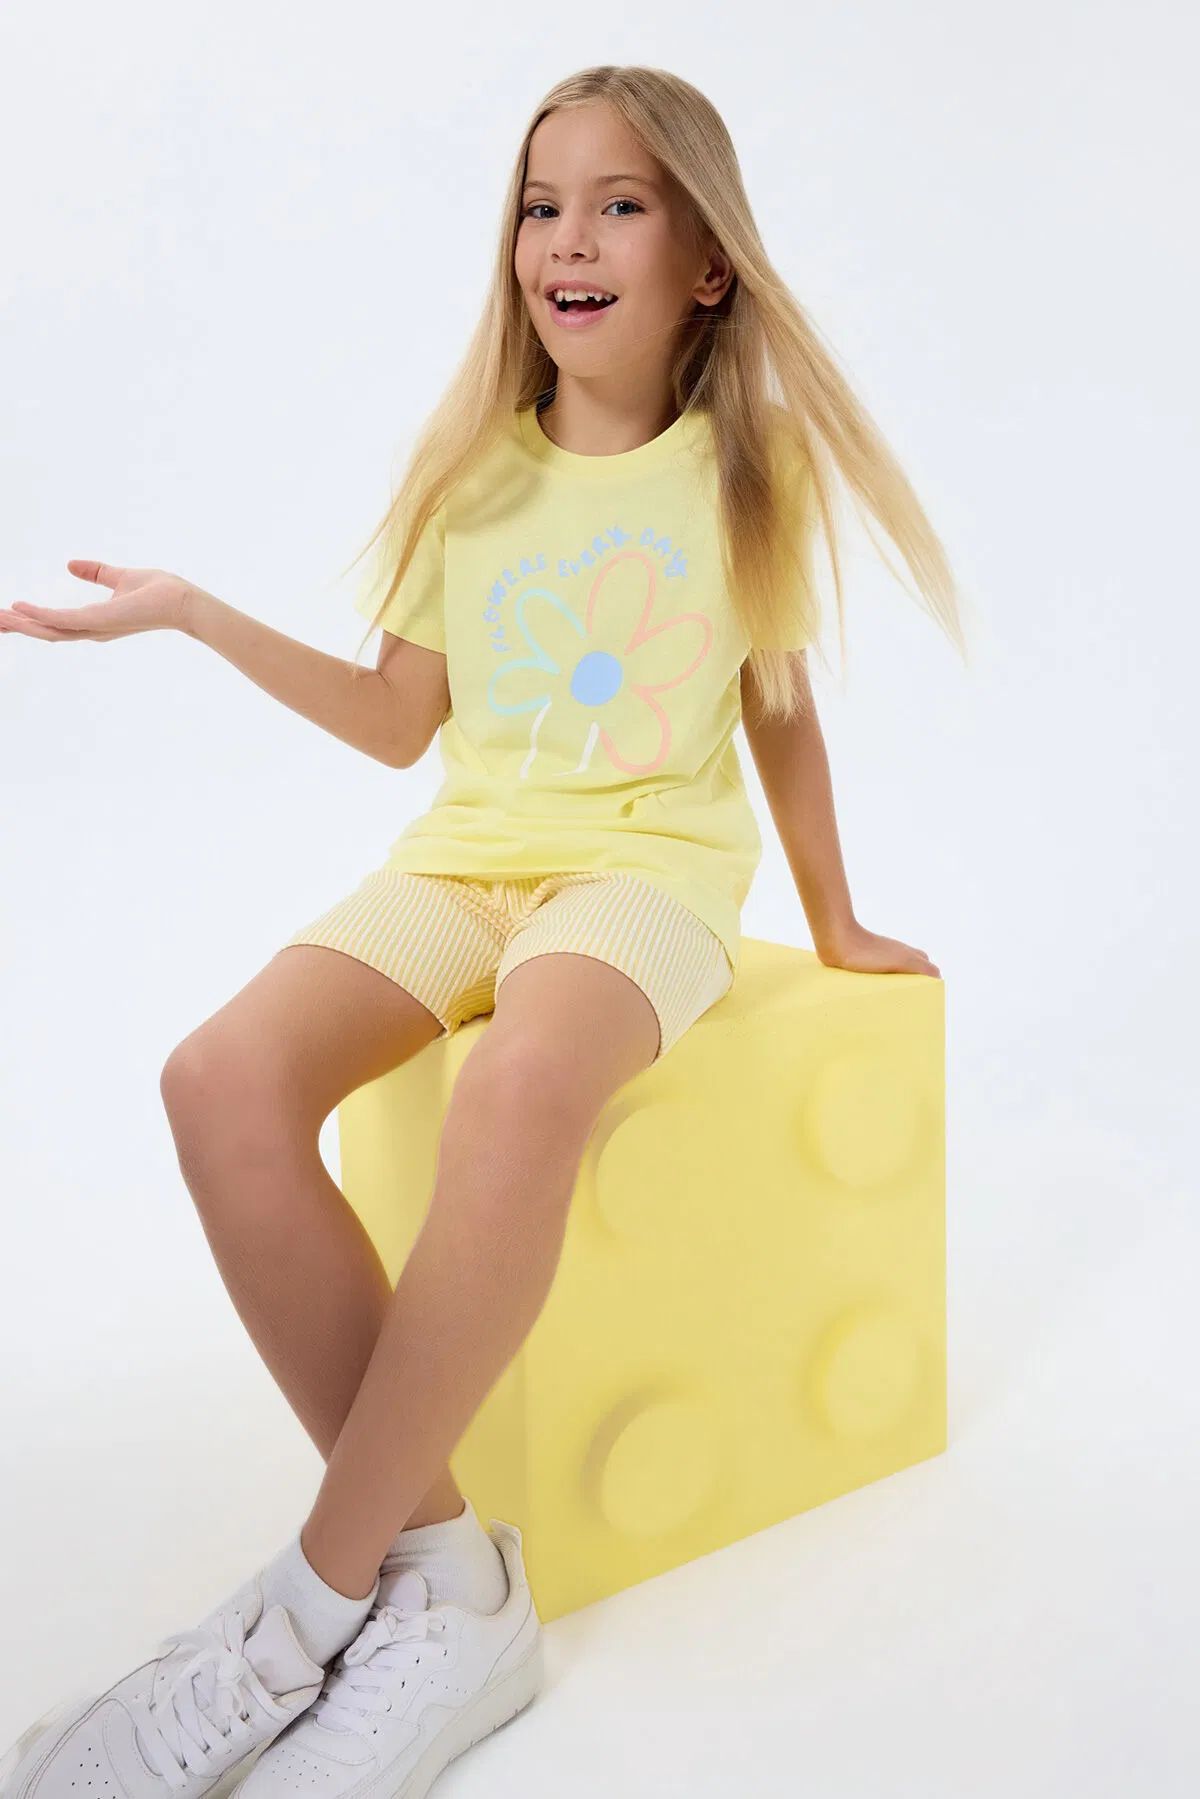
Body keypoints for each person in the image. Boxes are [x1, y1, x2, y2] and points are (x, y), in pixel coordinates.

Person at [0, 61, 961, 1799]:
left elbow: (782, 714)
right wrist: (196, 616)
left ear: (707, 262)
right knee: (217, 1082)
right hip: (469, 861)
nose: (566, 241)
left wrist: (837, 918)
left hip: (643, 872)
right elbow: (397, 726)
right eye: (540, 205)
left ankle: (300, 1615)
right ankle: (449, 1586)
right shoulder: (472, 475)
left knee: (521, 1086)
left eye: (618, 205)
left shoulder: (749, 473)